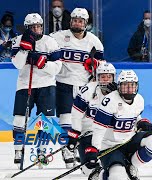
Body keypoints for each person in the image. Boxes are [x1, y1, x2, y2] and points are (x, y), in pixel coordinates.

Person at [49, 7, 104, 168]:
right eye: (74, 20)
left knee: (85, 121)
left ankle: (79, 148)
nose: (77, 23)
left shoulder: (94, 41)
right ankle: (68, 149)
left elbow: (101, 65)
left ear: (86, 23)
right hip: (63, 83)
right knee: (66, 119)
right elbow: (44, 45)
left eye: (80, 21)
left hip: (84, 87)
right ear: (70, 21)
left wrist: (95, 65)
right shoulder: (58, 37)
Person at [87, 70, 152, 180]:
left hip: (129, 140)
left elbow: (134, 116)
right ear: (118, 87)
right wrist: (94, 148)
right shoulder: (109, 100)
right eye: (125, 86)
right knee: (117, 177)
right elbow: (99, 128)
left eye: (131, 85)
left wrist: (142, 122)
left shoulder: (139, 100)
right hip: (110, 146)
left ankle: (132, 166)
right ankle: (103, 174)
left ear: (137, 86)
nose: (128, 89)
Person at [10, 13, 62, 168]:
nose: (36, 30)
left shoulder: (50, 42)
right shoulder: (18, 41)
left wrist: (42, 63)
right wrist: (24, 50)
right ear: (27, 29)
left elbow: (57, 69)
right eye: (32, 28)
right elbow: (18, 65)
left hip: (46, 85)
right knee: (19, 119)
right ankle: (18, 150)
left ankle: (42, 151)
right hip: (25, 85)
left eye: (38, 27)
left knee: (45, 121)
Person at [66, 61, 117, 176]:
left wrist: (115, 97)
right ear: (97, 77)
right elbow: (76, 113)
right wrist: (75, 133)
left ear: (114, 77)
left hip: (109, 135)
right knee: (89, 168)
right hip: (88, 134)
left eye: (109, 77)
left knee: (114, 165)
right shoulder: (88, 90)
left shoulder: (119, 92)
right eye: (103, 77)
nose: (106, 80)